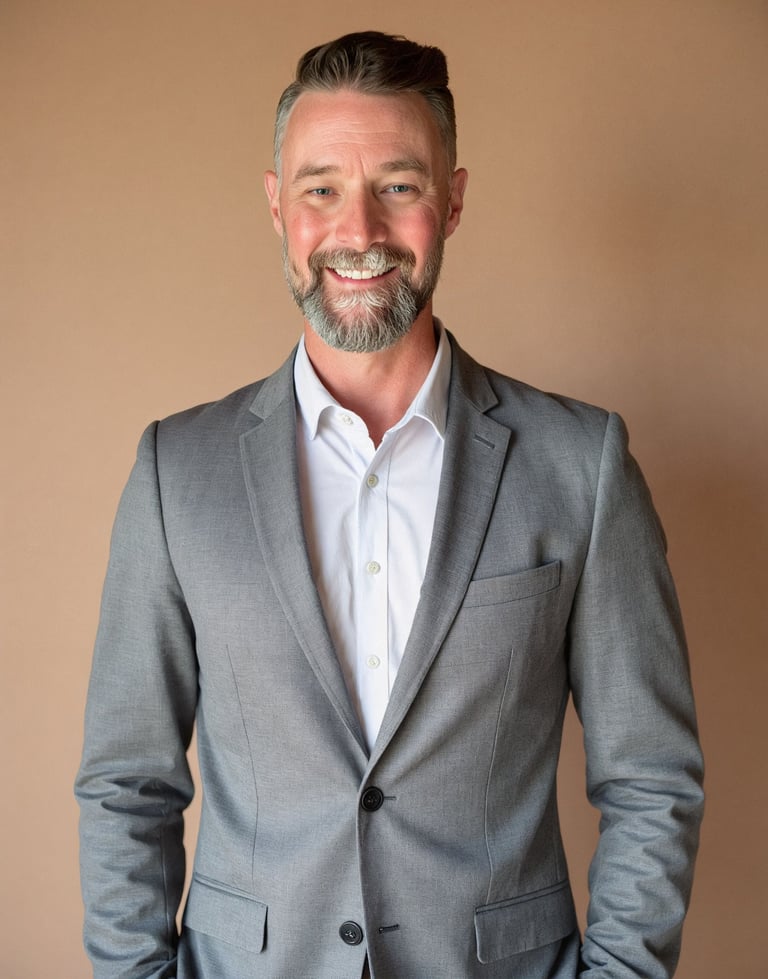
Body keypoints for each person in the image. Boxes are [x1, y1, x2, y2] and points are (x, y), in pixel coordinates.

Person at [76, 31, 704, 979]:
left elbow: (652, 777)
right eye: (321, 187)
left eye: (399, 186)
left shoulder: (583, 464)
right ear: (276, 203)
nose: (358, 229)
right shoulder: (177, 470)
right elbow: (127, 782)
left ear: (451, 200)